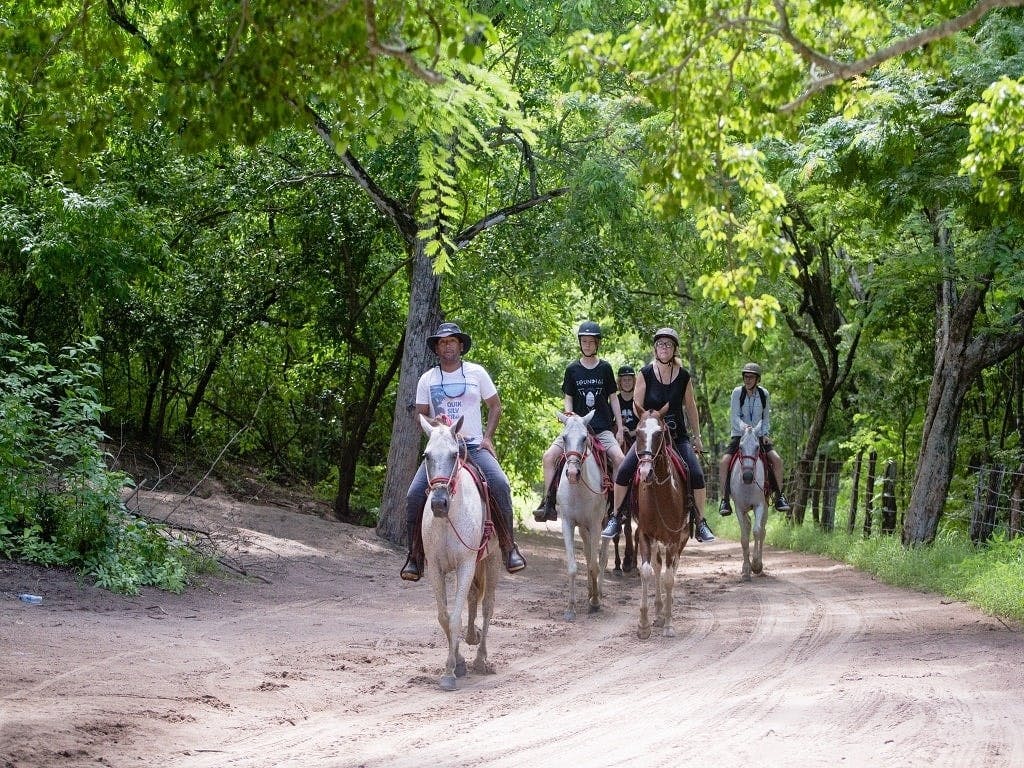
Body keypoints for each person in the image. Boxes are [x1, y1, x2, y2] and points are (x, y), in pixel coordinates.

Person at [401, 322, 527, 581]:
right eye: (442, 342)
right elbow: (420, 414)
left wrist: (488, 437)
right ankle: (414, 556)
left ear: (460, 345)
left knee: (500, 484)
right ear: (437, 347)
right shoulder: (428, 378)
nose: (447, 345)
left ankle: (508, 547)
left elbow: (495, 406)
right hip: (441, 448)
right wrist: (439, 426)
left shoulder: (476, 373)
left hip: (471, 446)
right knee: (414, 495)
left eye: (452, 341)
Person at [602, 327, 716, 543]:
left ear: (674, 349)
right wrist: (644, 428)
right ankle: (616, 517)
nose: (665, 347)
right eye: (661, 344)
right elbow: (638, 407)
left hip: (677, 436)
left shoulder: (683, 376)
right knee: (624, 471)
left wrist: (697, 436)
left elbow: (690, 407)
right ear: (655, 348)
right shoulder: (644, 373)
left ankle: (700, 522)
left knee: (697, 474)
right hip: (650, 436)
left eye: (669, 344)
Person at [533, 321, 625, 522]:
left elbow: (614, 398)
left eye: (591, 342)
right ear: (580, 343)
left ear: (597, 344)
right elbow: (568, 397)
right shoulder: (572, 369)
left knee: (619, 459)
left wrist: (618, 427)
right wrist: (569, 418)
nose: (588, 345)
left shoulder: (605, 368)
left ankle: (619, 509)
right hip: (576, 430)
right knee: (549, 457)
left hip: (601, 428)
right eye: (584, 341)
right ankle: (548, 502)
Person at [718, 362, 791, 515]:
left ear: (758, 379)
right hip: (740, 435)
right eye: (745, 376)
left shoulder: (764, 394)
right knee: (724, 462)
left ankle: (779, 496)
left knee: (777, 460)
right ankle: (724, 499)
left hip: (758, 436)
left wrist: (764, 434)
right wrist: (745, 427)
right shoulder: (737, 393)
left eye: (751, 377)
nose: (748, 379)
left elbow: (765, 418)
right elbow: (734, 417)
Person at [616, 364, 639, 449]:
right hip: (620, 437)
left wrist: (632, 433)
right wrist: (620, 428)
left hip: (637, 437)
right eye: (624, 380)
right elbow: (610, 421)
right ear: (620, 382)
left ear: (634, 381)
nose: (627, 383)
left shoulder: (638, 399)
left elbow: (644, 423)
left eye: (629, 380)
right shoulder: (615, 400)